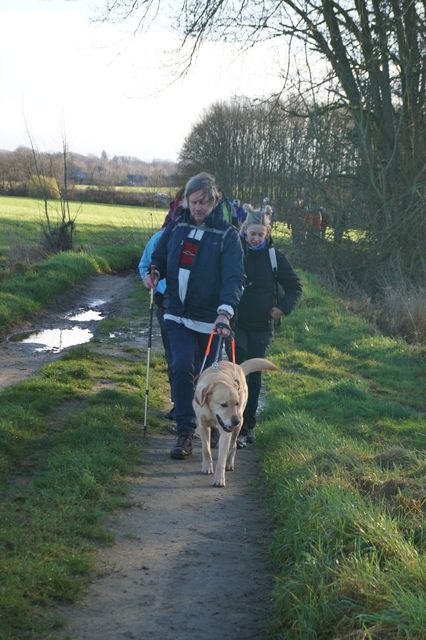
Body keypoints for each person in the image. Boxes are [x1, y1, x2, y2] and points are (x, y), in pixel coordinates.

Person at [144, 172, 245, 460]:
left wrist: (225, 312)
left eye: (204, 202)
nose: (198, 207)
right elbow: (159, 258)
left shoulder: (227, 236)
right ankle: (185, 431)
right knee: (181, 366)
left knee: (208, 379)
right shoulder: (176, 227)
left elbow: (234, 278)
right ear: (186, 201)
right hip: (177, 314)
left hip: (211, 321)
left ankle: (213, 427)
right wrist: (154, 273)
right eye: (194, 201)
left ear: (214, 202)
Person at [233, 210, 302, 445]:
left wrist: (282, 308)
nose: (256, 239)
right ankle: (231, 420)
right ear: (244, 232)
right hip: (236, 323)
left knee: (253, 375)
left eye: (260, 235)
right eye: (252, 234)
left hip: (262, 326)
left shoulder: (275, 258)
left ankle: (248, 425)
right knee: (237, 371)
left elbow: (294, 287)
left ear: (267, 233)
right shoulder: (236, 253)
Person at [138, 228, 176, 420]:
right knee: (174, 355)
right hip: (165, 302)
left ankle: (196, 403)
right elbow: (145, 265)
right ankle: (178, 403)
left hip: (198, 307)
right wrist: (152, 282)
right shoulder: (161, 238)